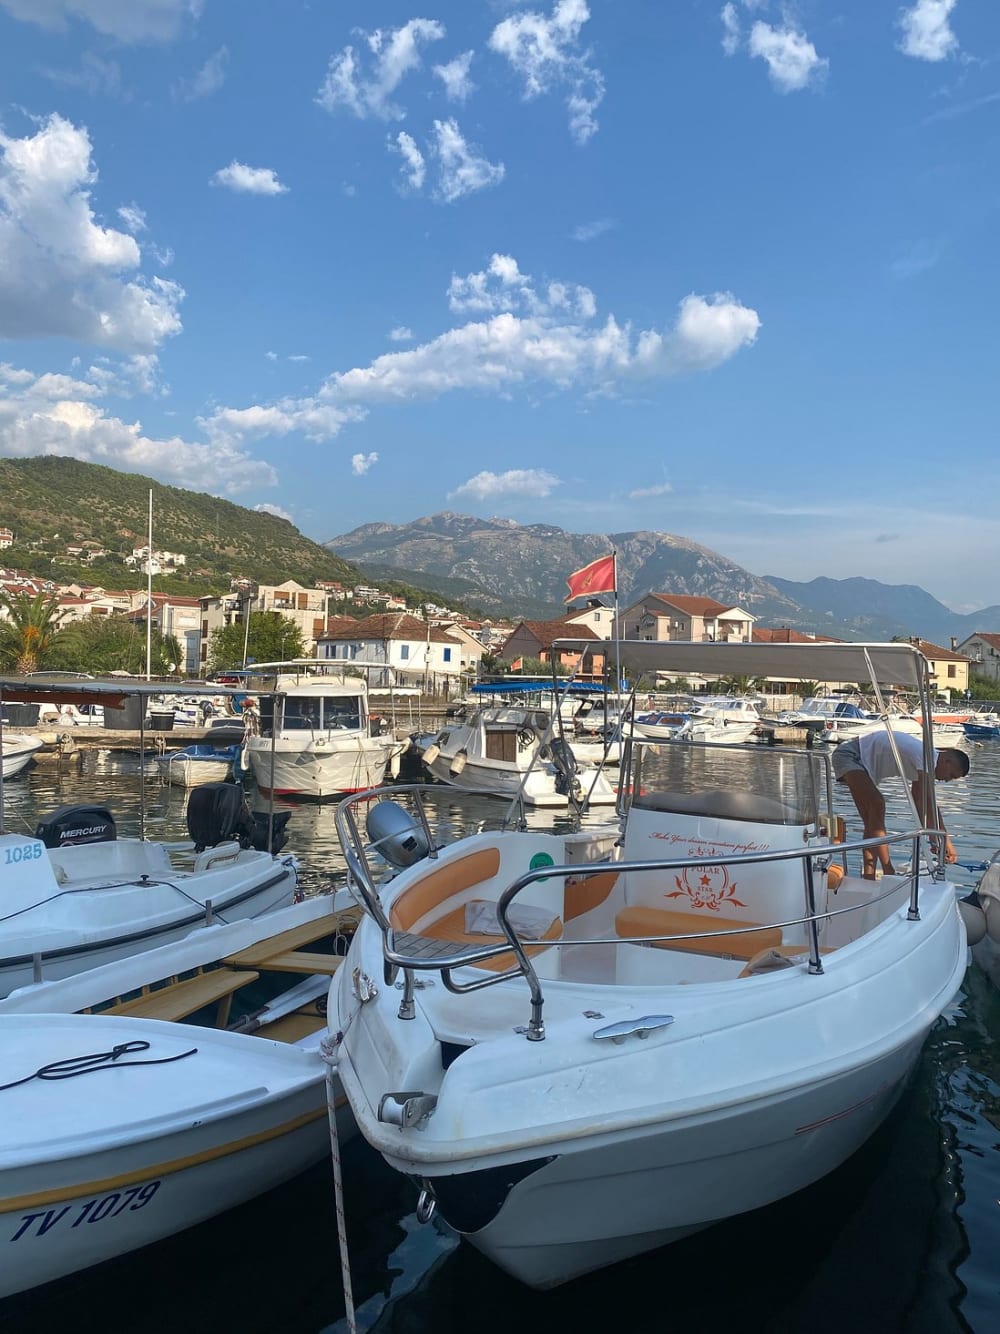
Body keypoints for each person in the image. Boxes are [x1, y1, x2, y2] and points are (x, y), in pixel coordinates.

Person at [831, 729, 969, 879]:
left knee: (872, 822)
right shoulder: (926, 756)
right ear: (946, 761)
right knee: (877, 805)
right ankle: (888, 870)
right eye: (951, 775)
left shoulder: (925, 763)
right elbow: (928, 801)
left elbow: (919, 801)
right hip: (851, 755)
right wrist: (945, 839)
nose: (947, 780)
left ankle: (869, 876)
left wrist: (933, 837)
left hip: (859, 761)